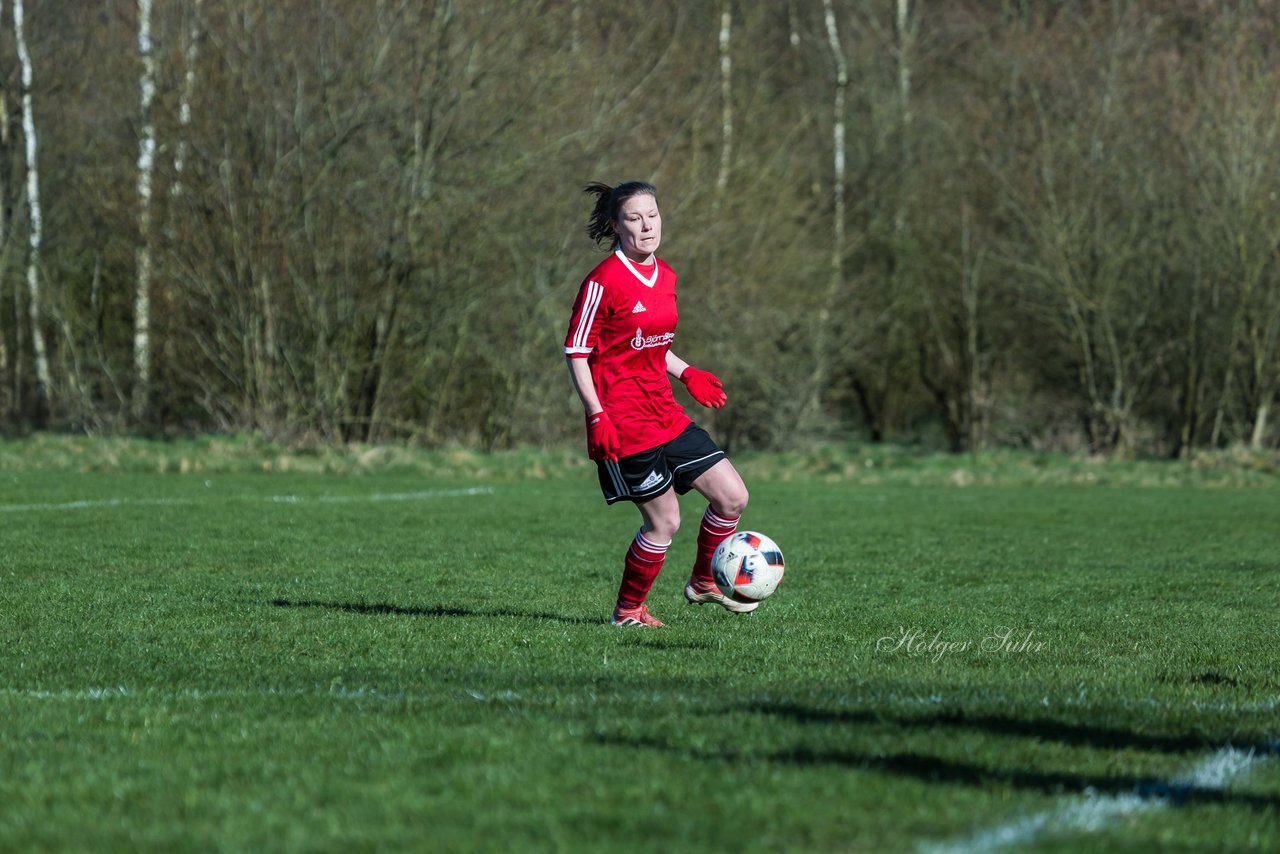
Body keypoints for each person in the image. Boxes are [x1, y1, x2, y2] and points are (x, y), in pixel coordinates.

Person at [564, 180, 753, 627]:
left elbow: (650, 345)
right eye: (634, 218)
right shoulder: (602, 281)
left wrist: (686, 372)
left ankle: (705, 581)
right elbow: (576, 351)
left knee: (732, 497)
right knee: (665, 523)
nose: (647, 226)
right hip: (623, 420)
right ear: (616, 225)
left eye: (653, 215)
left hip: (665, 412)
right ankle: (628, 611)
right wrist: (595, 413)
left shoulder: (666, 276)